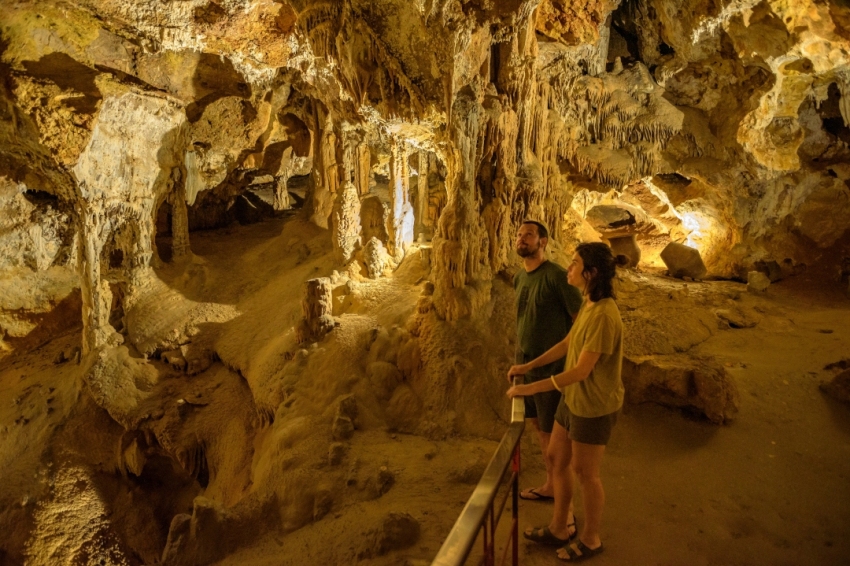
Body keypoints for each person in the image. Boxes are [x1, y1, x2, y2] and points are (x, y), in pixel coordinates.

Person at [507, 242, 627, 562]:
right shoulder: (588, 303)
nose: (568, 269)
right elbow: (566, 344)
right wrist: (527, 368)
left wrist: (531, 389)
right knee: (557, 458)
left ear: (591, 273)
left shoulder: (603, 315)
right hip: (572, 399)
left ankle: (591, 537)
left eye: (575, 264)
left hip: (593, 405)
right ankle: (560, 526)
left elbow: (581, 370)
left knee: (586, 473)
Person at [512, 220, 583, 502]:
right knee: (540, 429)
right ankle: (551, 484)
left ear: (543, 242)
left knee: (555, 436)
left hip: (553, 369)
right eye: (518, 235)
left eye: (528, 235)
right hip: (529, 365)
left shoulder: (556, 277)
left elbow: (580, 323)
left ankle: (561, 495)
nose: (521, 239)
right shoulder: (520, 277)